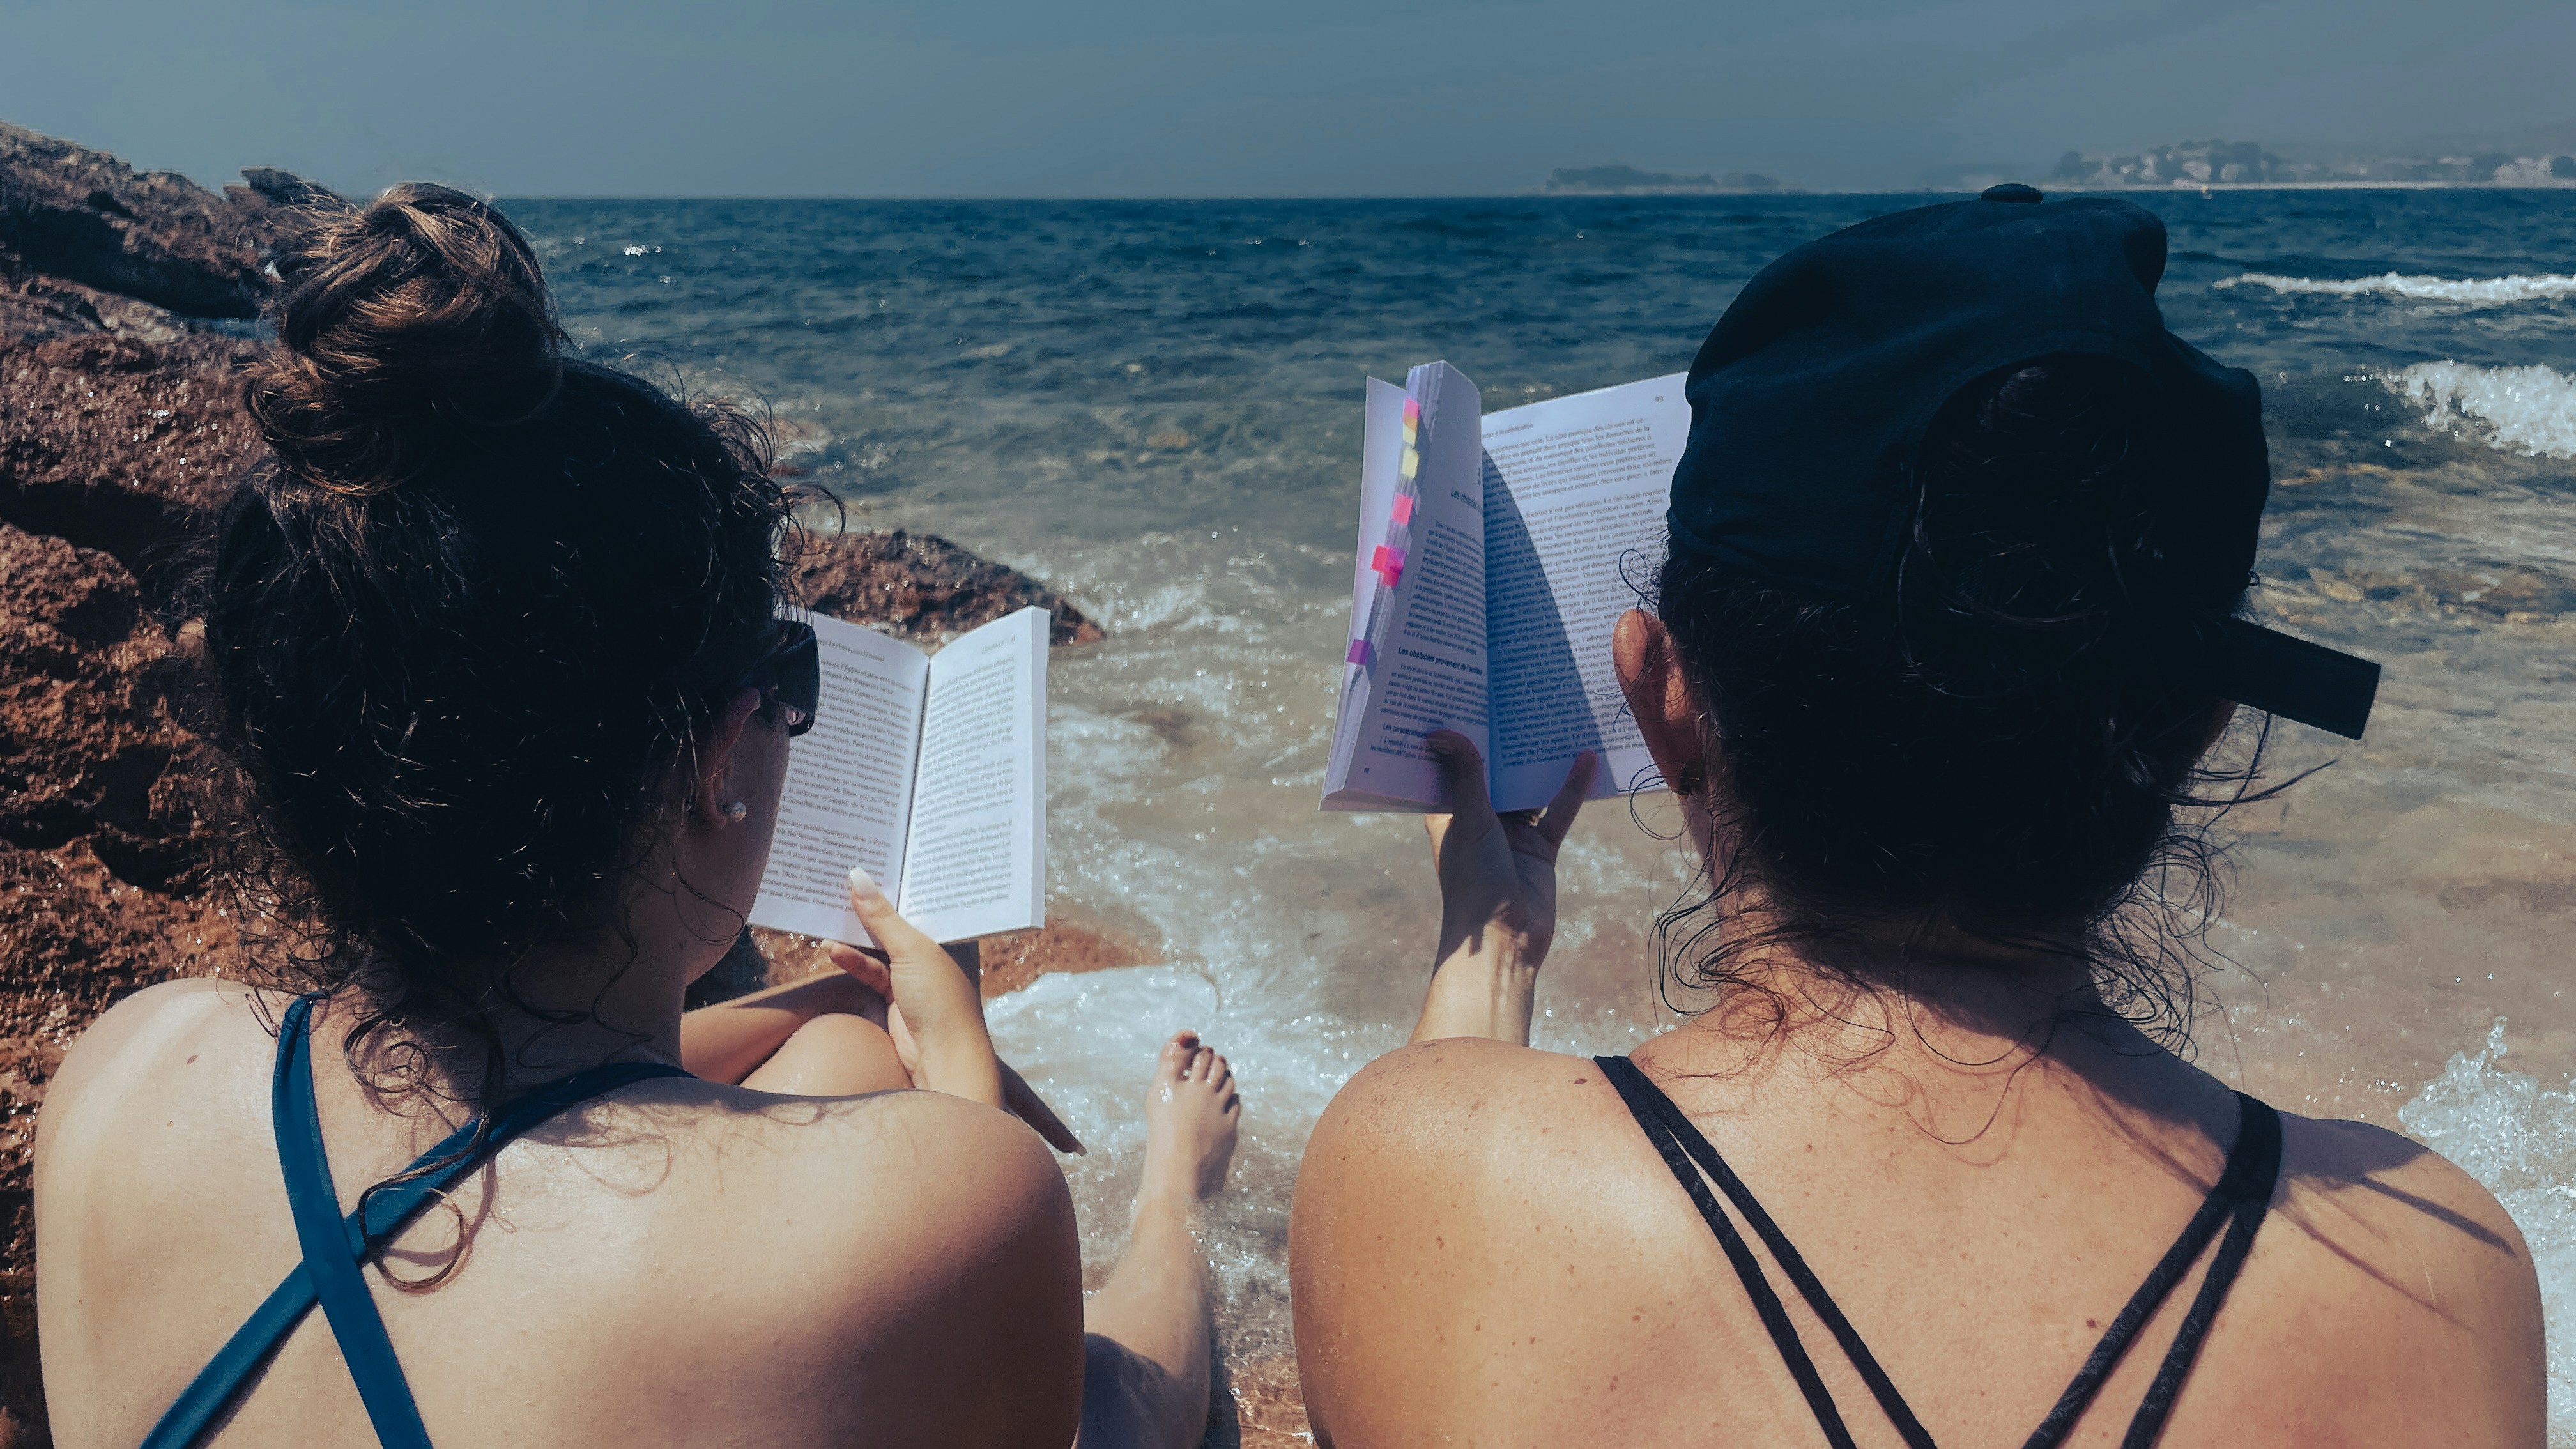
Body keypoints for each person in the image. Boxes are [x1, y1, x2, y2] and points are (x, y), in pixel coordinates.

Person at [1289, 190, 2545, 1447]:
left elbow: (1452, 1168)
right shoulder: (2436, 1277)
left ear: (1664, 700)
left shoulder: (1421, 1177)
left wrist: (1492, 943)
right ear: (2200, 730)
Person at [32, 185, 1242, 1449]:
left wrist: (820, 1007)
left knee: (840, 1057)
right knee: (1121, 1399)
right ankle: (1180, 1195)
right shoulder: (952, 1202)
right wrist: (963, 1082)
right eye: (790, 677)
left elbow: (503, 1088)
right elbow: (1071, 1401)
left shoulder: (128, 1072)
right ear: (717, 759)